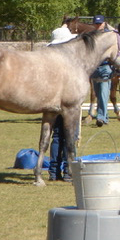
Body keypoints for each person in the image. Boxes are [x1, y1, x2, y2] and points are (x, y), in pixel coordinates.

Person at [47, 25, 77, 181]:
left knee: (57, 136)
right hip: (67, 101)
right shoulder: (67, 61)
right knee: (69, 135)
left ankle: (53, 171)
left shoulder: (49, 60)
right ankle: (68, 171)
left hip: (52, 101)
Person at [84, 15, 114, 127]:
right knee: (97, 92)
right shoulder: (91, 36)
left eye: (99, 23)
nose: (98, 26)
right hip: (94, 67)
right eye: (96, 24)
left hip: (105, 67)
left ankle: (100, 117)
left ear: (104, 23)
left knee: (103, 92)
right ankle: (105, 117)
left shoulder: (109, 36)